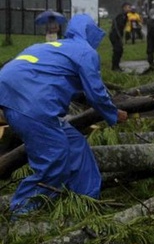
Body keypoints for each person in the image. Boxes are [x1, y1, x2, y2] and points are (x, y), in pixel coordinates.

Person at [0, 14, 128, 215]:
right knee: (55, 157)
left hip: (10, 97)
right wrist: (113, 113)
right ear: (90, 34)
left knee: (75, 143)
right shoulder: (85, 52)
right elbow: (96, 93)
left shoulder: (51, 47)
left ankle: (86, 199)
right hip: (33, 103)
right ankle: (22, 212)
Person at [109, 2, 131, 71]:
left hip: (118, 35)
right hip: (115, 35)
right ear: (124, 8)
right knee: (117, 50)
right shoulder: (120, 16)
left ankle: (117, 66)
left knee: (120, 50)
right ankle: (114, 67)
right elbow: (116, 27)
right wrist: (119, 36)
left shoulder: (125, 16)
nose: (129, 9)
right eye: (128, 7)